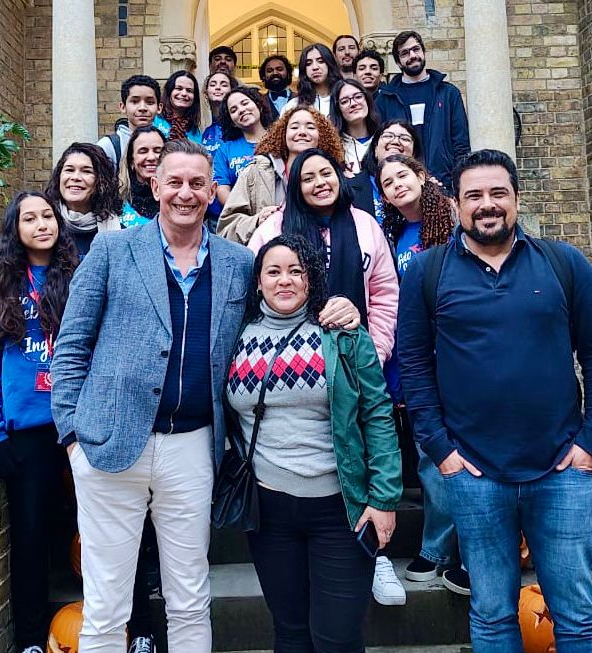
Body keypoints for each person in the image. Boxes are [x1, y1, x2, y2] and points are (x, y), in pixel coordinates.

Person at [50, 139, 363, 653]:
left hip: (193, 447)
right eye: (174, 181)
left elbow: (281, 314)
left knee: (191, 597)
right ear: (155, 186)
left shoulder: (239, 263)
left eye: (197, 183)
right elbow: (71, 346)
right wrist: (72, 437)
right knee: (106, 605)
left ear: (210, 190)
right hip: (109, 445)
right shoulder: (111, 250)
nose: (186, 193)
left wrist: (340, 310)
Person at [398, 149, 592, 652]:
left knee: (579, 615)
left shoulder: (564, 263)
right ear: (456, 205)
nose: (487, 204)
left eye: (498, 193)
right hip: (474, 474)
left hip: (560, 471)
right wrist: (441, 450)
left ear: (517, 199)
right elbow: (413, 365)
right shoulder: (428, 273)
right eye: (474, 195)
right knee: (493, 614)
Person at [227, 233, 402, 651]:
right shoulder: (234, 336)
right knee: (290, 633)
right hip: (268, 511)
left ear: (311, 279)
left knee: (337, 638)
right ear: (258, 282)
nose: (284, 280)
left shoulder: (343, 335)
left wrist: (384, 498)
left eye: (296, 271)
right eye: (273, 271)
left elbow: (377, 415)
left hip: (339, 509)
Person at [247, 149, 405, 606]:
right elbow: (254, 283)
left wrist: (373, 351)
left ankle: (375, 554)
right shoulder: (274, 228)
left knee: (363, 444)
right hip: (289, 363)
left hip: (352, 357)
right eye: (308, 177)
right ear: (294, 186)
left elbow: (384, 292)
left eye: (326, 173)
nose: (319, 182)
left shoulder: (364, 225)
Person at [0, 191, 78, 653]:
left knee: (103, 531)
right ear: (15, 228)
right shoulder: (1, 287)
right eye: (29, 218)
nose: (41, 224)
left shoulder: (80, 276)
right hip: (29, 430)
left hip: (79, 426)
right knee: (30, 537)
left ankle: (131, 626)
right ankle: (31, 638)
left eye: (48, 215)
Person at [374, 153, 462, 591]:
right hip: (413, 355)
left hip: (455, 352)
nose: (396, 185)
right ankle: (438, 548)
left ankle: (455, 549)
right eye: (387, 182)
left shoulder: (453, 218)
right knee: (430, 452)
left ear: (422, 176)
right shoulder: (392, 233)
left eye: (402, 175)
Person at [218, 106, 344, 245]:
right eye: (294, 127)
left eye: (310, 127)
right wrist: (257, 221)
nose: (302, 132)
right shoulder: (256, 172)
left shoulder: (333, 176)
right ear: (283, 134)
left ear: (322, 135)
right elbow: (225, 231)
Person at [374, 30, 470, 192]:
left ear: (423, 52)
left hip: (444, 183)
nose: (412, 55)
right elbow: (380, 148)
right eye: (405, 53)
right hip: (402, 185)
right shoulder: (385, 99)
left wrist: (458, 183)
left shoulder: (448, 93)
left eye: (416, 49)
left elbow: (461, 144)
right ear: (398, 62)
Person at [45, 142, 122, 257]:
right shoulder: (42, 228)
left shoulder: (120, 235)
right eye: (69, 170)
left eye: (86, 171)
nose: (75, 177)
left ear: (102, 181)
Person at [350, 119, 424, 224]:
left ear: (414, 154)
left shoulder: (431, 187)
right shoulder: (350, 189)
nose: (395, 142)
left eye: (405, 138)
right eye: (388, 136)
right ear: (375, 149)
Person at [213, 86, 273, 207]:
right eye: (233, 110)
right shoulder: (225, 150)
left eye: (245, 103)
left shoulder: (280, 140)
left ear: (259, 106)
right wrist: (244, 211)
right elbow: (222, 189)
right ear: (232, 122)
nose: (241, 110)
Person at [97, 74, 169, 171]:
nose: (142, 108)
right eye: (135, 102)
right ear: (123, 107)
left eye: (150, 102)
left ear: (159, 108)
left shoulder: (166, 145)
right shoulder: (108, 147)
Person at [203, 71, 241, 231]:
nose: (218, 87)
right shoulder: (206, 132)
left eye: (224, 84)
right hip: (211, 212)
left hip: (238, 212)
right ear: (206, 92)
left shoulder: (239, 128)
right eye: (213, 84)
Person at [118, 125, 167, 228]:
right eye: (143, 151)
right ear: (131, 161)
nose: (151, 157)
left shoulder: (177, 198)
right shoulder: (116, 201)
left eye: (157, 151)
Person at [329, 78, 378, 174]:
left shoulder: (383, 140)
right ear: (337, 109)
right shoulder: (332, 148)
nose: (353, 104)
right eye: (344, 101)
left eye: (358, 97)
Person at [282, 43, 342, 116]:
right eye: (308, 63)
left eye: (320, 61)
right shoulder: (293, 105)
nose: (315, 67)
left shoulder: (344, 99)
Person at [160, 70, 203, 143]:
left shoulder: (195, 132)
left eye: (189, 90)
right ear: (169, 91)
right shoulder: (154, 120)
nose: (184, 93)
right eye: (179, 88)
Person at [259, 54, 295, 120]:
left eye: (280, 69)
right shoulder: (259, 102)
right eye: (269, 71)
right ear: (263, 76)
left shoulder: (301, 99)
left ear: (288, 74)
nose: (275, 73)